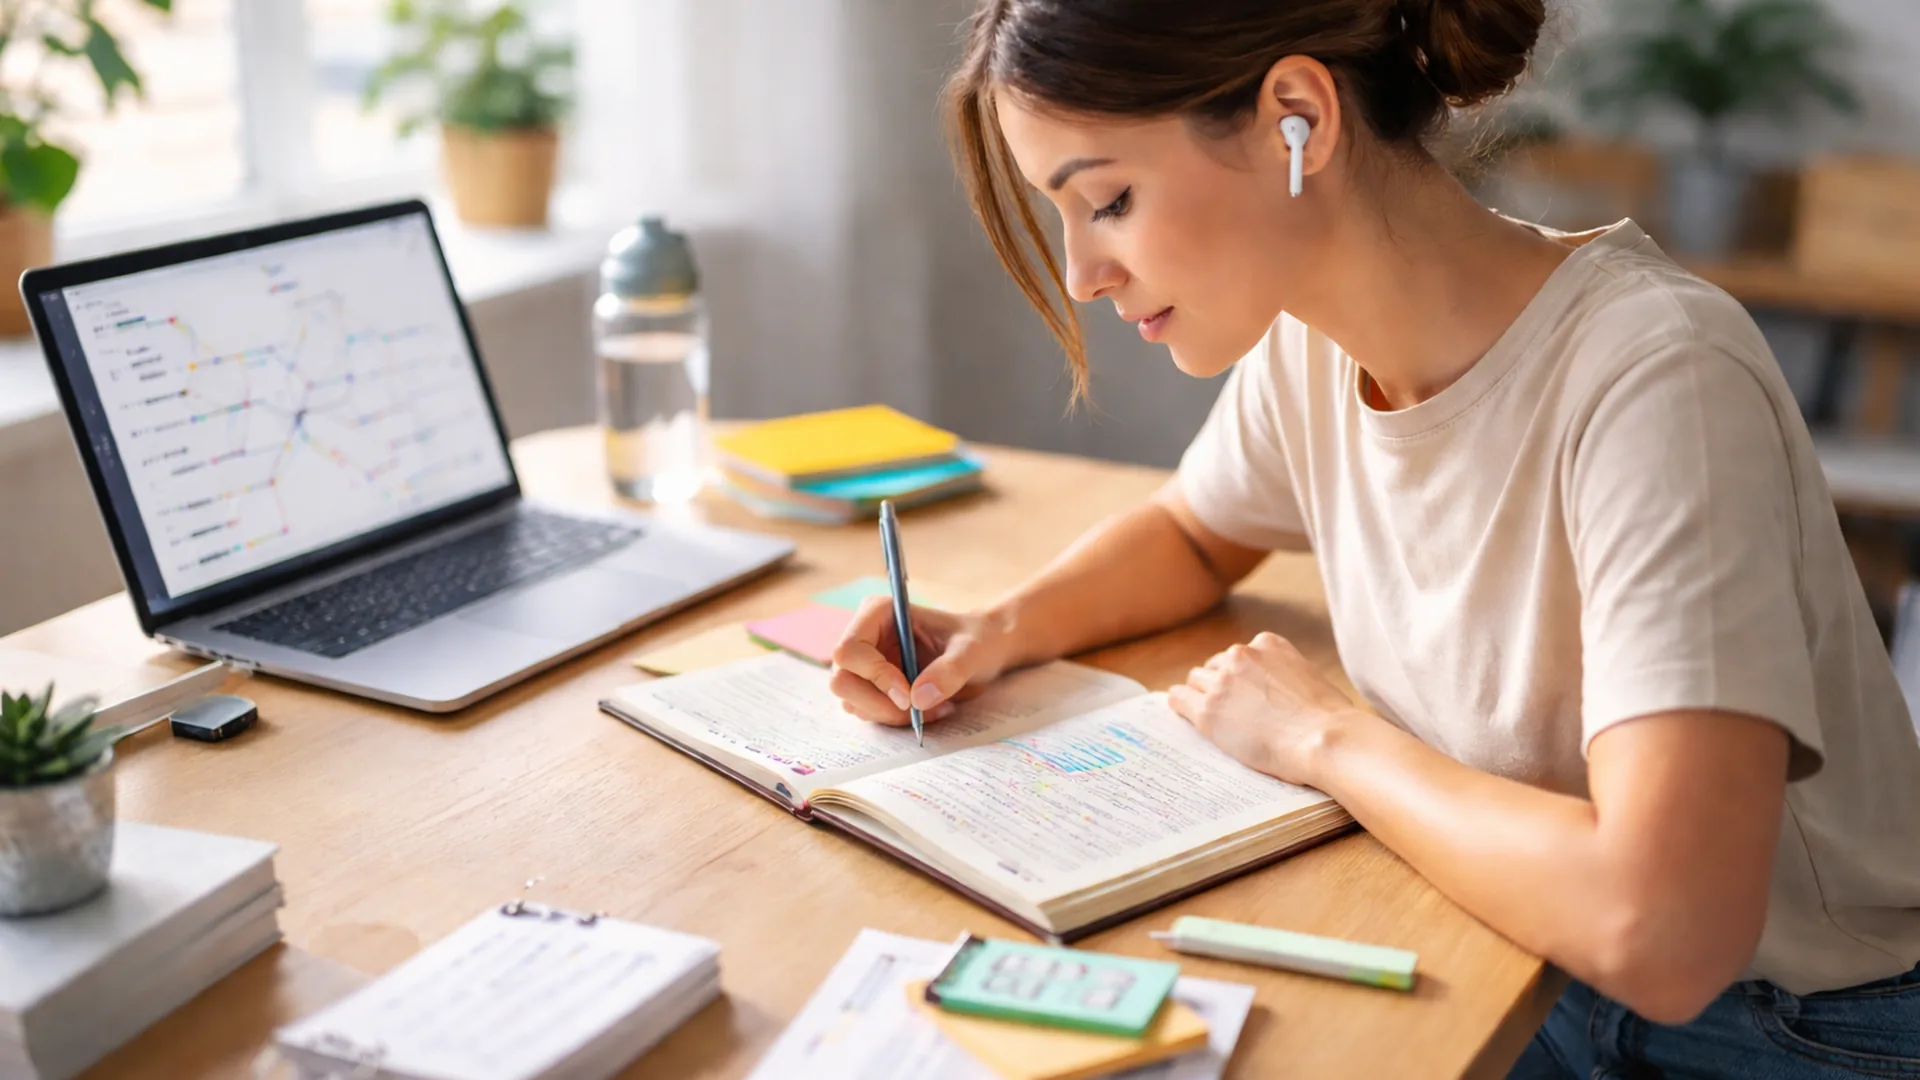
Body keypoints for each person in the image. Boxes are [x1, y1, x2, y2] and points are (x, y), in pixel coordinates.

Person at [827, 0, 1920, 1075]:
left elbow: (1664, 930)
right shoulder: (1309, 340)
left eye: (1107, 200)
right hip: (1522, 957)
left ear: (1296, 114)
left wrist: (1322, 739)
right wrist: (994, 628)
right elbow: (1197, 533)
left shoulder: (1656, 379)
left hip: (1789, 1028)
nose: (1080, 274)